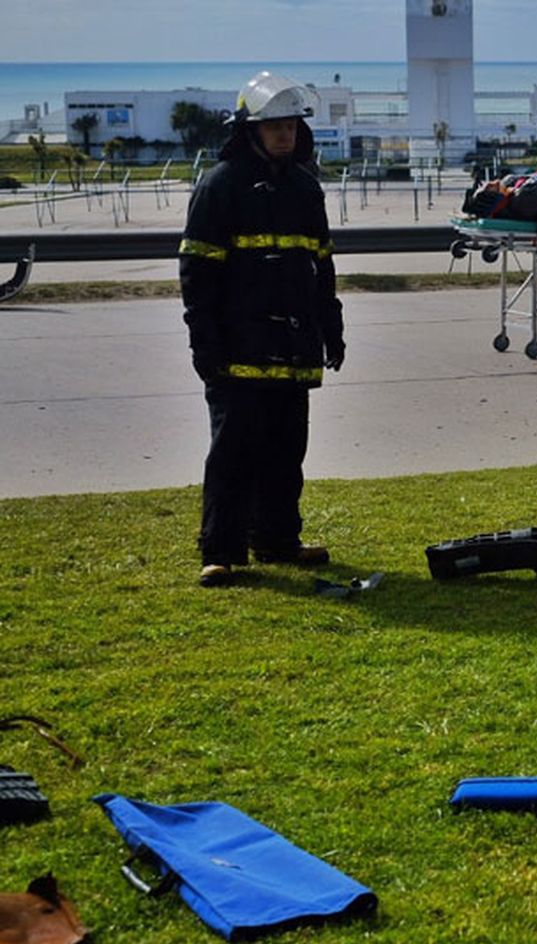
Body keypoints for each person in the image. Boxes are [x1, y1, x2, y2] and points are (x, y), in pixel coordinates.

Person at [179, 71, 345, 587]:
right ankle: (221, 550)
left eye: (292, 126)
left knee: (286, 449)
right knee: (232, 454)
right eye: (275, 126)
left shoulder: (304, 187)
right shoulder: (220, 185)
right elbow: (197, 272)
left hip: (294, 348)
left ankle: (277, 538)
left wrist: (331, 327)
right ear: (250, 129)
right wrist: (203, 341)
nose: (285, 135)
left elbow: (321, 264)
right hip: (237, 348)